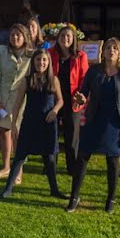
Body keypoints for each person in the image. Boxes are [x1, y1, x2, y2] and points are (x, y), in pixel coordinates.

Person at [67, 38, 120, 214]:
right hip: (94, 120)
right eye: (108, 48)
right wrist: (81, 98)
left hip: (115, 123)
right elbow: (83, 91)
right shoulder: (94, 71)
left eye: (115, 48)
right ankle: (74, 197)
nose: (111, 51)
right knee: (82, 158)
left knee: (112, 162)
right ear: (103, 51)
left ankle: (111, 199)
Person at [0, 49, 67, 199]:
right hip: (30, 122)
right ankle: (7, 189)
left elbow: (61, 100)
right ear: (33, 62)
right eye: (38, 60)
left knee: (49, 158)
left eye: (44, 60)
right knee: (20, 156)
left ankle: (54, 189)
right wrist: (14, 124)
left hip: (48, 123)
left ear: (48, 62)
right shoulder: (27, 80)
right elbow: (17, 104)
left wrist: (55, 110)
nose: (41, 63)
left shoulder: (53, 80)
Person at [0, 23, 33, 180]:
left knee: (17, 134)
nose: (15, 37)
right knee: (3, 133)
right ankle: (6, 167)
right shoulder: (2, 51)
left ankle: (18, 170)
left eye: (19, 35)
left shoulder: (31, 54)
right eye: (12, 35)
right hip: (2, 97)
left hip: (21, 100)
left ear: (25, 37)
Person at [48, 25, 89, 176]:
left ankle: (72, 167)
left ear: (73, 40)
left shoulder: (80, 56)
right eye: (62, 36)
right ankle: (50, 166)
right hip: (54, 99)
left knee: (72, 135)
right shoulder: (50, 53)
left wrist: (81, 95)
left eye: (68, 36)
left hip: (73, 99)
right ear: (57, 39)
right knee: (52, 133)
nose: (65, 39)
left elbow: (85, 78)